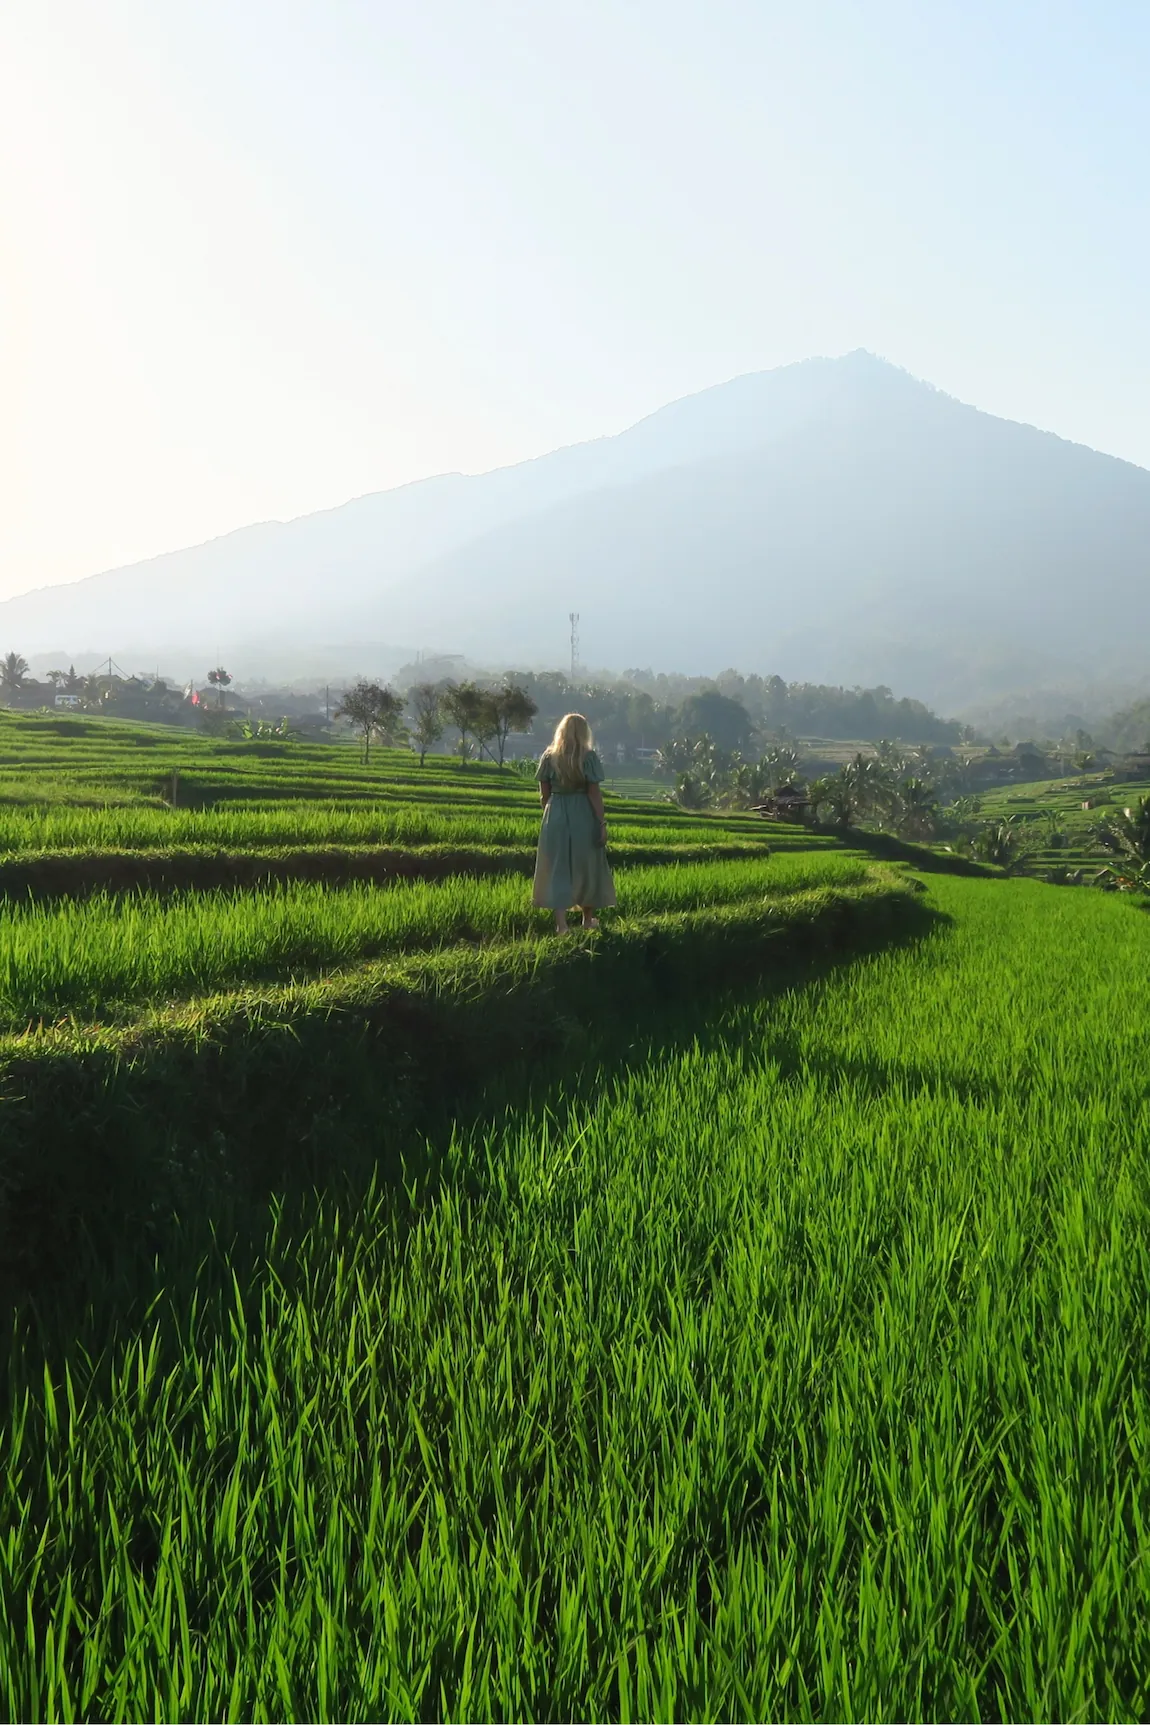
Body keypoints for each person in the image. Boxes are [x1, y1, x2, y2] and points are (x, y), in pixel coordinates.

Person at [533, 712, 617, 933]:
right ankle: (587, 920)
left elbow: (544, 795)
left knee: (558, 868)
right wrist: (601, 823)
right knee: (586, 865)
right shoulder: (588, 757)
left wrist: (551, 815)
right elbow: (594, 794)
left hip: (555, 812)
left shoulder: (549, 757)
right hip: (582, 813)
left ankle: (561, 925)